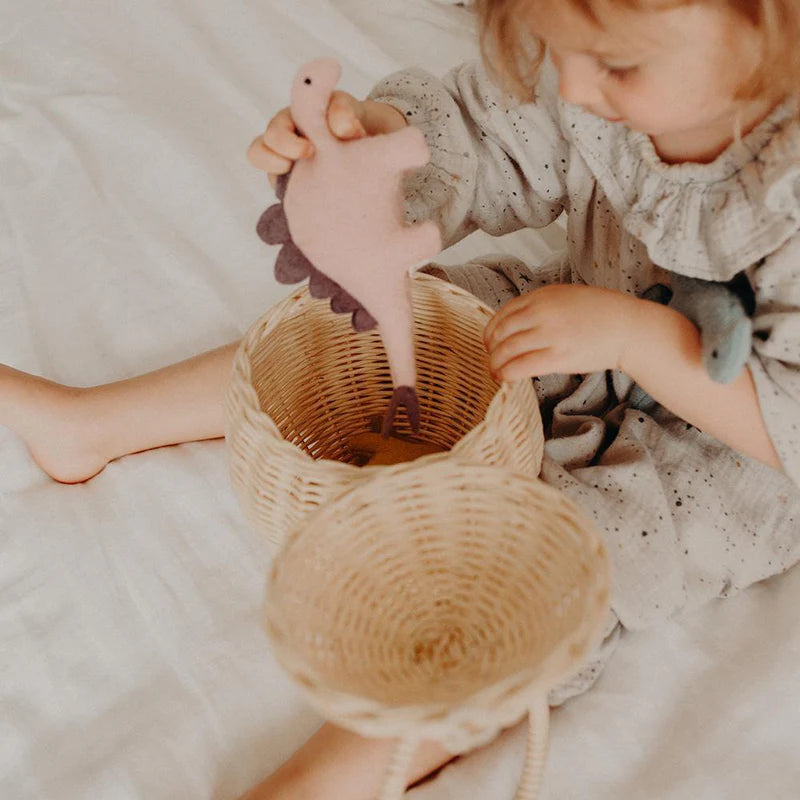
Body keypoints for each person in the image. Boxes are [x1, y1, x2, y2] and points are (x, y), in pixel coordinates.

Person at [3, 0, 800, 797]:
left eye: (617, 66)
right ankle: (91, 423)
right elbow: (487, 132)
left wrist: (636, 341)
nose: (578, 86)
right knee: (400, 324)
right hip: (580, 309)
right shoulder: (592, 78)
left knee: (538, 586)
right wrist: (369, 149)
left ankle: (311, 784)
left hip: (726, 459)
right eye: (562, 52)